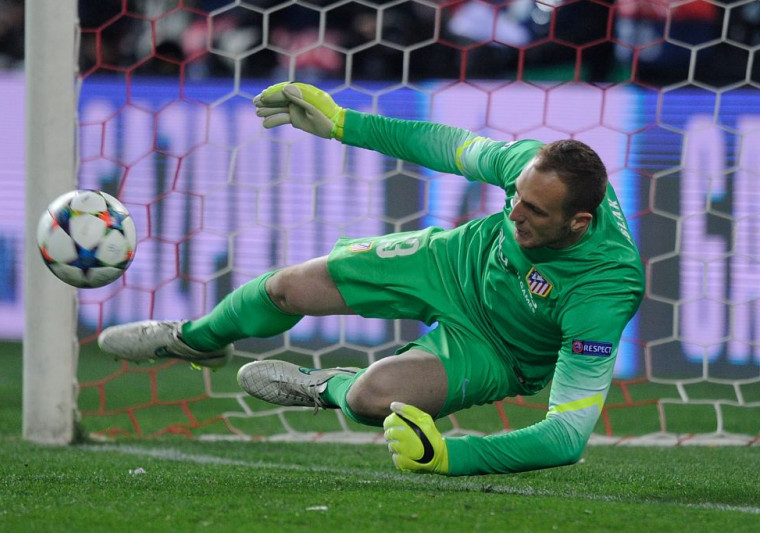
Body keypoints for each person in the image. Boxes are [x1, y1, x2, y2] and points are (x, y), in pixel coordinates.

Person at [98, 82, 645, 476]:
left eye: (534, 212)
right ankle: (195, 339)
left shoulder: (604, 291)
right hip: (455, 262)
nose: (515, 213)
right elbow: (444, 146)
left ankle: (325, 386)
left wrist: (453, 457)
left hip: (499, 351)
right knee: (289, 287)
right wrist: (342, 123)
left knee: (370, 398)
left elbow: (567, 436)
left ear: (580, 223)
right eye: (515, 198)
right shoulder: (531, 168)